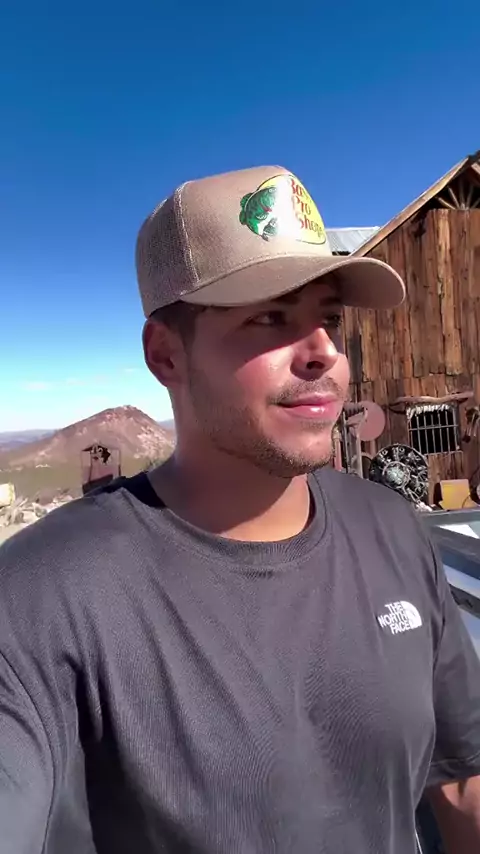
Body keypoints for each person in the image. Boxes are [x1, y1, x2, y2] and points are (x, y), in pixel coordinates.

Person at [1, 165, 480, 854]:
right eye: (269, 317)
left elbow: (462, 781)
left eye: (329, 319)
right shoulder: (42, 593)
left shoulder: (391, 529)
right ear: (166, 356)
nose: (324, 352)